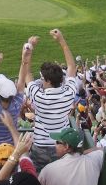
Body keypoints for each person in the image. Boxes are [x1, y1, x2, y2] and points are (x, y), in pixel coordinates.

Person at [25, 29, 78, 170]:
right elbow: (72, 67)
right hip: (61, 145)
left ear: (48, 81)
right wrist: (61, 40)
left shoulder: (38, 96)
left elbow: (27, 73)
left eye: (42, 78)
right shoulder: (68, 94)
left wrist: (29, 50)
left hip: (40, 146)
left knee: (39, 177)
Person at [38, 127, 104, 185]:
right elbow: (104, 150)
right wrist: (82, 152)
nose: (55, 145)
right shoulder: (94, 160)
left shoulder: (48, 170)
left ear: (66, 146)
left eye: (57, 142)